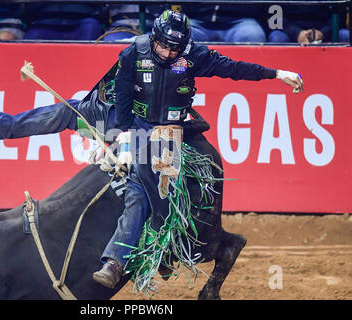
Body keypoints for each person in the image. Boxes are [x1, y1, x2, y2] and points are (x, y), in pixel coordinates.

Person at [91, 10, 303, 289]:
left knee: (162, 189)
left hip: (171, 132)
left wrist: (276, 73)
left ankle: (156, 252)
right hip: (141, 129)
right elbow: (121, 95)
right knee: (138, 192)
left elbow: (233, 68)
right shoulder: (133, 53)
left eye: (174, 48)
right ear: (154, 37)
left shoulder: (193, 56)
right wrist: (124, 136)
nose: (167, 53)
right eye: (162, 45)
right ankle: (116, 263)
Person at [266, 3, 349, 44]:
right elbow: (274, 14)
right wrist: (296, 33)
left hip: (324, 29)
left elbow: (341, 13)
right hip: (289, 30)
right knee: (277, 38)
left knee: (346, 36)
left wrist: (323, 33)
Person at [181, 4, 267, 42]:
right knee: (178, 33)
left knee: (252, 35)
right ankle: (182, 77)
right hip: (198, 20)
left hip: (239, 20)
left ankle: (246, 77)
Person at [22, 3, 103, 41]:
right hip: (45, 24)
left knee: (92, 26)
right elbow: (25, 10)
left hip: (81, 21)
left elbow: (100, 6)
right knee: (35, 32)